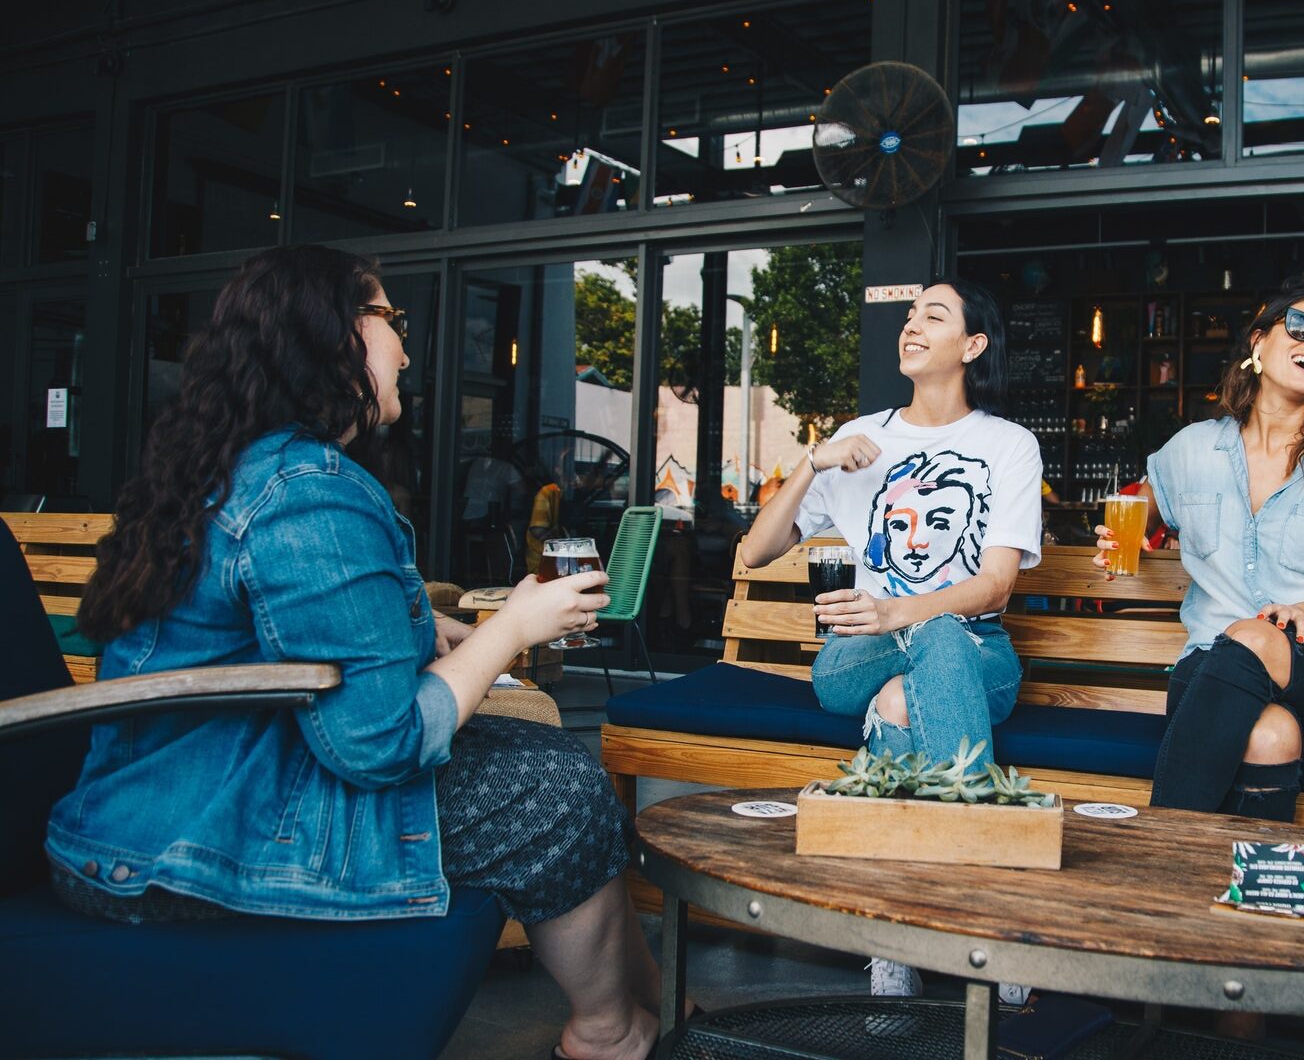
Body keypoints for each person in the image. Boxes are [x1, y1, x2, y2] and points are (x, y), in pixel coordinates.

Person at [52, 247, 666, 1060]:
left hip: (155, 811)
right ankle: (609, 1032)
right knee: (553, 784)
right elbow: (376, 743)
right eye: (391, 322)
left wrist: (430, 632)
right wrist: (509, 629)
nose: (407, 353)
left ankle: (651, 1005)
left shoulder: (242, 468)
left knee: (534, 752)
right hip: (177, 847)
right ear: (331, 335)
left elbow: (289, 645)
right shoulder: (307, 491)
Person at [739, 278, 1043, 1001]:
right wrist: (814, 459)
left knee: (908, 697)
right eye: (908, 316)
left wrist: (900, 611)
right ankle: (982, 913)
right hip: (853, 659)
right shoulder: (859, 439)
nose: (912, 326)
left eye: (933, 315)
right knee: (919, 643)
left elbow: (996, 585)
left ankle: (893, 941)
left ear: (971, 346)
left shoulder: (1007, 446)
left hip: (976, 654)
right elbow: (753, 551)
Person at [1099, 285, 1304, 827]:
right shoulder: (1191, 450)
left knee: (1253, 634)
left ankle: (1156, 846)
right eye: (1301, 326)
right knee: (1269, 736)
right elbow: (1137, 514)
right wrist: (1119, 538)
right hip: (1213, 670)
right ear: (1259, 341)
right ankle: (1249, 896)